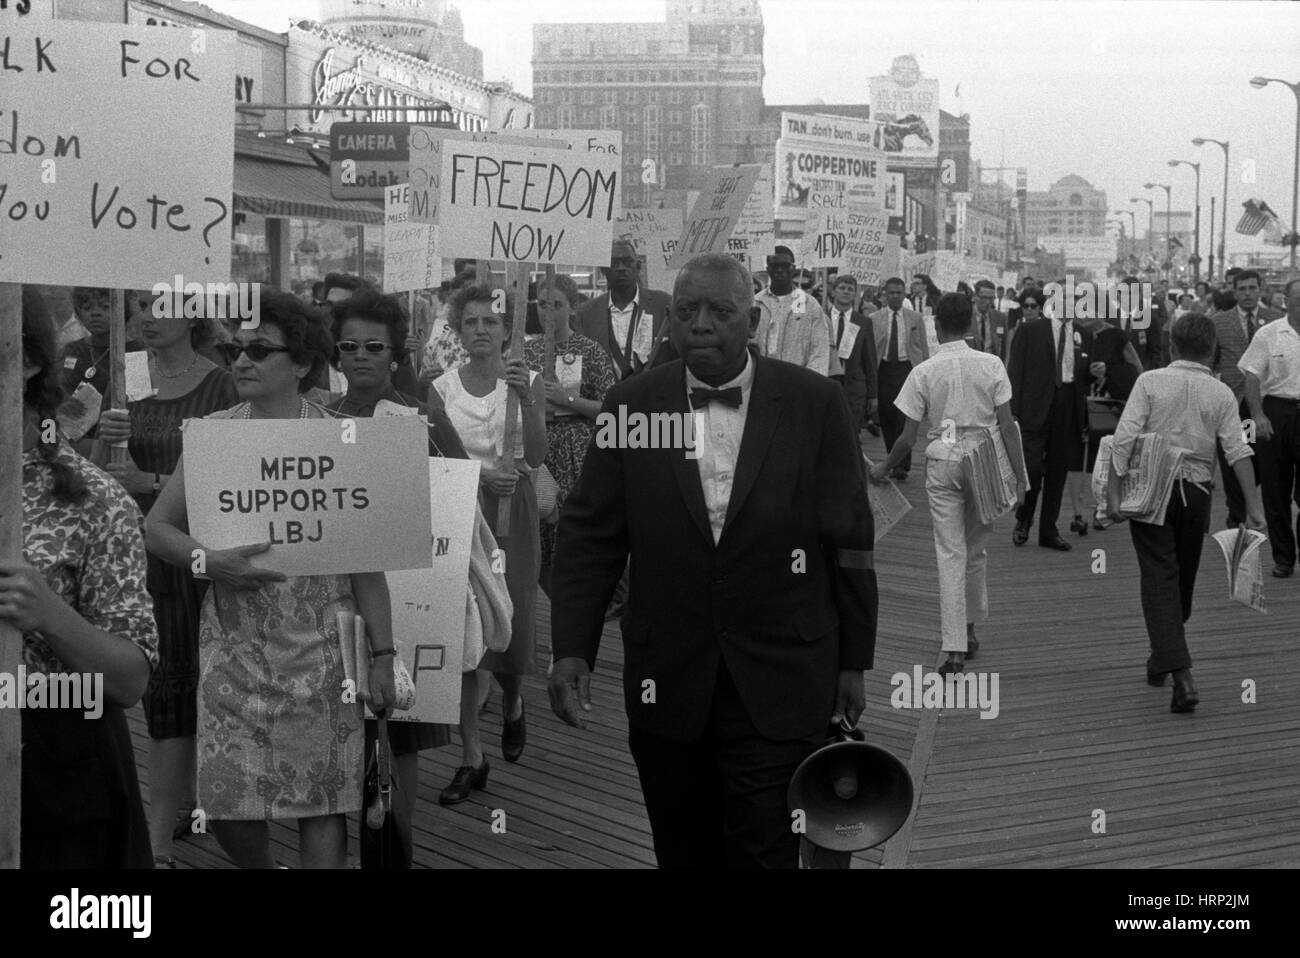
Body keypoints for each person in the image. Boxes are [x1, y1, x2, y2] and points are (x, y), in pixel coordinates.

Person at [548, 253, 877, 869]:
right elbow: (591, 536)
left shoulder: (814, 403)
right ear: (668, 320)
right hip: (667, 683)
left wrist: (855, 659)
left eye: (720, 312)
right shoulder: (632, 407)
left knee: (768, 850)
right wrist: (571, 648)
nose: (701, 324)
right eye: (686, 312)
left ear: (751, 321)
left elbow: (851, 541)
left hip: (786, 676)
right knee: (684, 850)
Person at [144, 291, 397, 869]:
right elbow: (157, 528)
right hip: (234, 649)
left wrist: (383, 654)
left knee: (322, 801)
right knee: (228, 801)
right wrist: (210, 561)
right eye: (235, 348)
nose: (240, 361)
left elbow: (368, 564)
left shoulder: (341, 438)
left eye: (259, 350)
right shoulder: (212, 434)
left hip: (324, 652)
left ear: (302, 363)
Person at [6, 287, 158, 868]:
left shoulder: (94, 501)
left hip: (59, 773)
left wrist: (48, 612)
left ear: (27, 361)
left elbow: (128, 681)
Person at [320, 287, 470, 867]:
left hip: (407, 600)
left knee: (396, 735)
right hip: (331, 606)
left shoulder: (424, 420)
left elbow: (458, 500)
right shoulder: (315, 422)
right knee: (335, 732)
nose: (360, 356)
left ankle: (392, 855)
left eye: (373, 346)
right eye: (349, 345)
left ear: (395, 353)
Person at [92, 296, 237, 868]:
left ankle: (208, 806)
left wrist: (150, 478)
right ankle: (155, 841)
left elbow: (234, 479)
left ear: (193, 313)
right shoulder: (125, 376)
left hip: (204, 555)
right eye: (140, 306)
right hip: (144, 557)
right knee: (167, 693)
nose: (146, 317)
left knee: (215, 684)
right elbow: (102, 469)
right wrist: (104, 439)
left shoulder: (223, 385)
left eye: (160, 305)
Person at [1105, 313, 1265, 712]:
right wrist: (1253, 507)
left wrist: (1111, 496)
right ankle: (1171, 667)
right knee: (1180, 584)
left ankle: (1173, 666)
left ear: (1172, 346)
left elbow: (1122, 441)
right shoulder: (1223, 393)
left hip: (1150, 491)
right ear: (1212, 351)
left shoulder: (1150, 382)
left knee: (1161, 579)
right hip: (1196, 495)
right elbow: (1239, 451)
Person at [868, 293, 1027, 675]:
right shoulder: (991, 364)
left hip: (943, 458)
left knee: (950, 552)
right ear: (972, 323)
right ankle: (969, 631)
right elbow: (1007, 426)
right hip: (985, 458)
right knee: (976, 550)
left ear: (935, 326)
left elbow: (907, 438)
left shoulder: (923, 371)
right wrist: (1021, 480)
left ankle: (953, 646)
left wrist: (883, 469)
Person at [432, 283, 547, 803]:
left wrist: (526, 398)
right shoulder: (439, 388)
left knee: (515, 618)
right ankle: (470, 756)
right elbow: (434, 456)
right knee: (466, 625)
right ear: (458, 331)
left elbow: (539, 455)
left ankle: (514, 699)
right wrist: (478, 479)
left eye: (491, 322)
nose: (481, 329)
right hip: (462, 509)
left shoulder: (527, 381)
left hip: (514, 511)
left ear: (506, 330)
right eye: (471, 321)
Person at [524, 273, 617, 593]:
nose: (548, 312)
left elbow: (612, 410)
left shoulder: (589, 351)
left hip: (577, 452)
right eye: (543, 304)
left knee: (572, 534)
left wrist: (570, 400)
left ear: (572, 308)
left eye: (557, 305)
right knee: (537, 533)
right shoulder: (526, 352)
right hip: (537, 449)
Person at [1008, 287, 1100, 551]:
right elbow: (1015, 370)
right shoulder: (1031, 329)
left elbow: (1081, 375)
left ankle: (1049, 530)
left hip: (1067, 407)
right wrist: (1013, 409)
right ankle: (1023, 520)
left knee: (1058, 472)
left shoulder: (1084, 334)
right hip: (1035, 408)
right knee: (1033, 468)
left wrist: (1093, 374)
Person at [1239, 278, 1300, 578]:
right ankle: (1284, 558)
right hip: (1275, 412)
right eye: (1297, 299)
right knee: (1275, 491)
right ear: (1285, 301)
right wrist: (1258, 415)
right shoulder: (1269, 333)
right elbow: (1251, 376)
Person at [1211, 270, 1280, 529]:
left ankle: (1247, 501)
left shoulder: (1275, 321)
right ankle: (1237, 513)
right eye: (1242, 289)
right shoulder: (1220, 322)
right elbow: (1211, 361)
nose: (1248, 293)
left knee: (1261, 458)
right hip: (1233, 403)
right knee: (1234, 455)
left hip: (1265, 403)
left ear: (1260, 289)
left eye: (1252, 288)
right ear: (1235, 292)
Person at [577, 239, 672, 378]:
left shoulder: (664, 305)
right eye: (614, 263)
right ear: (603, 270)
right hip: (605, 397)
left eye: (627, 262)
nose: (621, 268)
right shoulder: (586, 313)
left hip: (651, 394)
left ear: (638, 266)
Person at [869, 277, 929, 480]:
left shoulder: (915, 318)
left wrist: (925, 371)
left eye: (899, 292)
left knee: (904, 416)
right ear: (885, 294)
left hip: (907, 369)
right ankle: (891, 458)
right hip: (884, 369)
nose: (895, 296)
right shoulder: (874, 318)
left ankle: (902, 464)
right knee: (887, 415)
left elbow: (922, 346)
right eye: (891, 292)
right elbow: (871, 349)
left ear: (905, 295)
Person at [753, 246, 831, 375]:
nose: (779, 270)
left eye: (785, 265)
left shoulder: (811, 306)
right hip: (762, 382)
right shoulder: (755, 303)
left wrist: (809, 383)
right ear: (767, 269)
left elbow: (819, 351)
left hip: (799, 384)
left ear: (793, 268)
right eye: (774, 265)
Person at [825, 273, 877, 432]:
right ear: (833, 292)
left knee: (851, 434)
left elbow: (870, 360)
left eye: (850, 289)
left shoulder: (863, 322)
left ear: (855, 294)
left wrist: (873, 394)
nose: (846, 292)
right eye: (841, 288)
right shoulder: (820, 317)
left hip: (854, 388)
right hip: (826, 383)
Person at [973, 279, 1008, 357]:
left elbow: (1004, 346)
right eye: (984, 298)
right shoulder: (965, 316)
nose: (988, 302)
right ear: (975, 296)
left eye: (991, 298)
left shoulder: (1000, 317)